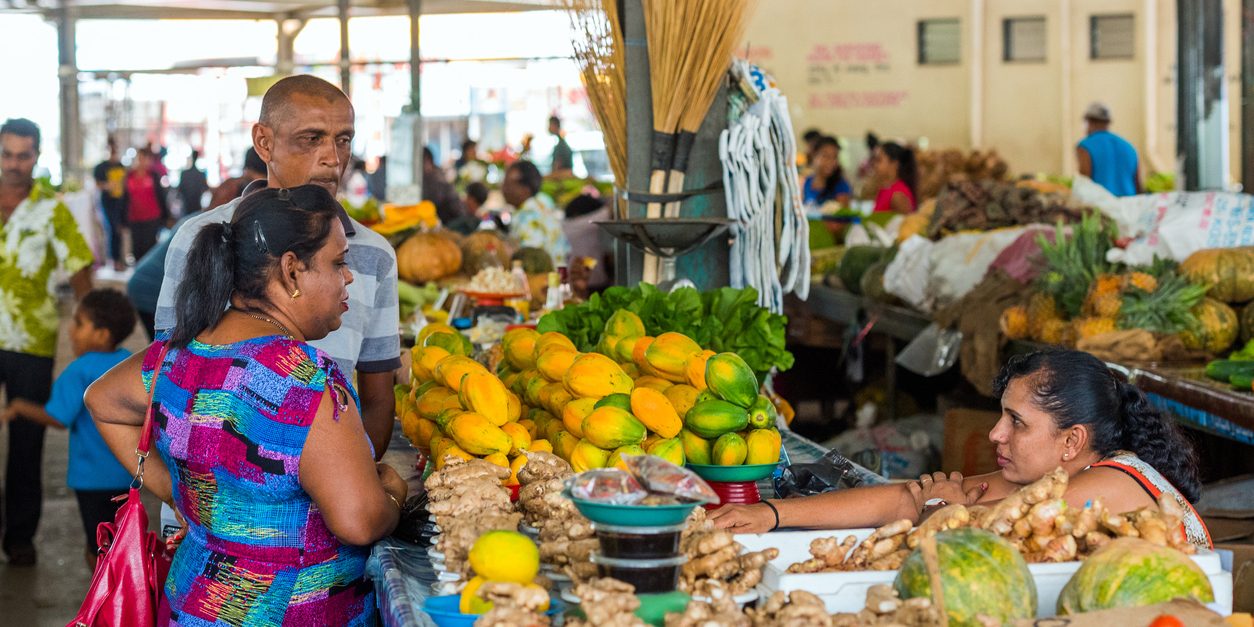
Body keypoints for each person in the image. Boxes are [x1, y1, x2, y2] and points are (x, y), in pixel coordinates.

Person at [88, 185, 408, 625]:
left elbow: (102, 401)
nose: (348, 277)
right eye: (338, 262)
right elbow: (360, 520)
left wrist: (186, 499)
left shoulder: (175, 354)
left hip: (190, 606)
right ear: (292, 271)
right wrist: (392, 491)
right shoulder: (306, 378)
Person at [710, 350, 1211, 549]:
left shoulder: (1115, 482)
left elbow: (968, 525)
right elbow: (908, 499)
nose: (995, 434)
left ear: (1072, 441)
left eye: (1016, 422)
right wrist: (771, 514)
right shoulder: (1037, 479)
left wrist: (942, 507)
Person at [155, 75, 401, 458]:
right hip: (207, 495)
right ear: (264, 143)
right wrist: (186, 495)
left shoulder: (374, 255)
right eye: (311, 138)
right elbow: (164, 380)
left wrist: (349, 484)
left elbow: (378, 400)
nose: (333, 159)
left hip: (329, 501)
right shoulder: (203, 238)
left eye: (343, 139)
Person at [0, 117, 94, 566]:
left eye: (24, 155)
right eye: (7, 154)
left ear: (37, 156)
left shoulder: (51, 209)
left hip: (31, 341)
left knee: (26, 441)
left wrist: (93, 320)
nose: (15, 164)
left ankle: (20, 536)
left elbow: (78, 264)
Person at [0, 288, 136, 569]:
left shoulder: (80, 370)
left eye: (78, 324)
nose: (71, 331)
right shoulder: (131, 361)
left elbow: (59, 417)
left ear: (101, 333)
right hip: (128, 473)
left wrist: (19, 407)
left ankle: (103, 604)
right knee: (119, 540)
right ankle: (121, 599)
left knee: (96, 545)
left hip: (91, 480)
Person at [503, 160, 569, 266]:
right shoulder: (543, 203)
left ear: (525, 190)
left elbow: (530, 262)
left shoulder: (529, 217)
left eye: (508, 184)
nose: (503, 189)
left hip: (544, 279)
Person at [1077, 102, 1140, 197]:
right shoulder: (1129, 147)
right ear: (1108, 122)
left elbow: (1085, 183)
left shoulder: (1085, 146)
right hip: (1127, 205)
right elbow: (1138, 185)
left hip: (1101, 206)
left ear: (1089, 122)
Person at [125, 147, 171, 260]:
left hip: (152, 218)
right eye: (139, 158)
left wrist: (166, 216)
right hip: (134, 218)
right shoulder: (129, 176)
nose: (142, 161)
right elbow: (125, 198)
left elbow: (161, 196)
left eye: (145, 158)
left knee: (150, 248)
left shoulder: (154, 176)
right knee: (136, 248)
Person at [563, 193, 611, 291]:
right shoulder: (574, 225)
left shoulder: (567, 225)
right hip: (590, 284)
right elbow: (607, 212)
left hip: (589, 282)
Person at [93, 137, 128, 271]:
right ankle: (115, 260)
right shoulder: (101, 167)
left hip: (120, 202)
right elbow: (97, 184)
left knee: (119, 229)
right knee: (113, 229)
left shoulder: (121, 166)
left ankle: (119, 258)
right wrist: (107, 186)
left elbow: (125, 184)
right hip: (108, 202)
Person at [802, 136, 852, 208]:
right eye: (826, 156)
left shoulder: (841, 186)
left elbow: (842, 216)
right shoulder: (806, 182)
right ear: (814, 156)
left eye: (835, 157)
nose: (831, 162)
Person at [423, 146, 466, 225]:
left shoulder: (437, 179)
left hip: (450, 224)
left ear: (429, 161)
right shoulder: (436, 175)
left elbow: (432, 202)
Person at [871, 141, 917, 213]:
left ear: (894, 163)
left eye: (879, 160)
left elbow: (910, 223)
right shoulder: (885, 189)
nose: (875, 165)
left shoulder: (898, 195)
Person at [176, 149, 209, 214]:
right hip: (196, 205)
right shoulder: (200, 174)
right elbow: (205, 188)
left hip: (187, 205)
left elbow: (180, 189)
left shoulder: (184, 174)